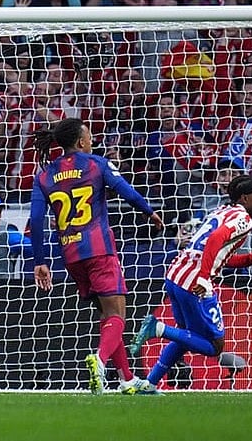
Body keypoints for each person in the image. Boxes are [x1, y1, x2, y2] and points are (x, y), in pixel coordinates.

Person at [29, 117, 164, 394]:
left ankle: (126, 379)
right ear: (81, 141)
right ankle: (99, 361)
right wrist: (149, 211)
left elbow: (36, 220)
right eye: (89, 136)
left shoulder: (44, 175)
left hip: (70, 254)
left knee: (106, 316)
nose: (91, 141)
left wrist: (40, 261)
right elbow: (127, 191)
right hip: (99, 250)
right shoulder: (96, 164)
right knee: (117, 315)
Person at [127, 175, 252, 394]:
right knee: (214, 346)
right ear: (245, 198)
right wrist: (204, 278)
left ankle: (149, 383)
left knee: (187, 336)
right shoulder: (244, 219)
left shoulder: (222, 211)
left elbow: (219, 256)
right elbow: (215, 240)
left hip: (177, 275)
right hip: (194, 282)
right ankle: (158, 328)